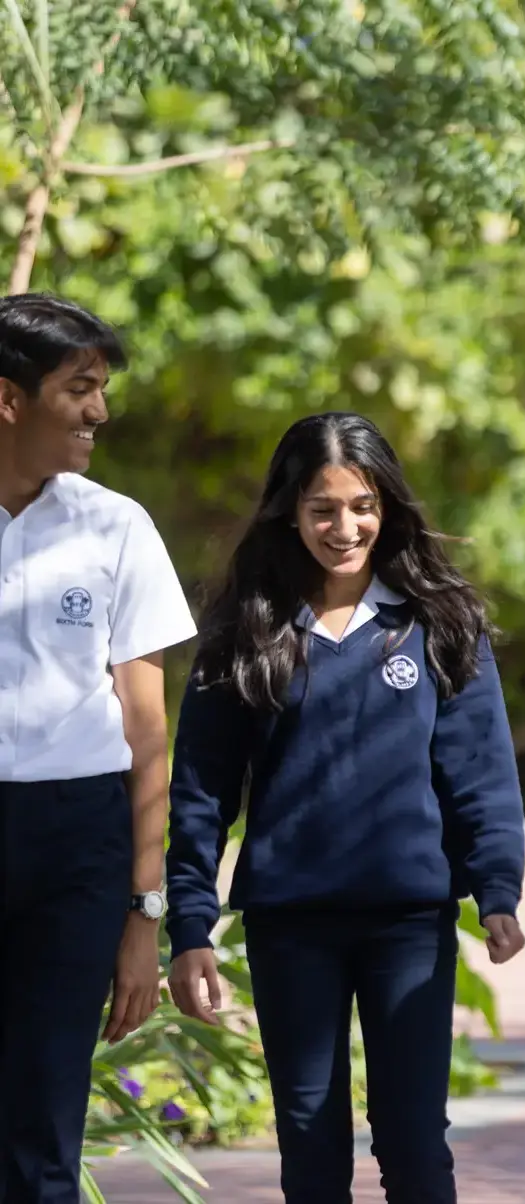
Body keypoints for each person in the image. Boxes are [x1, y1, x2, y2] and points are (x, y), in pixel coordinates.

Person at [165, 411, 525, 1204]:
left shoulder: (440, 621)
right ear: (290, 512)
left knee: (413, 1138)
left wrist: (497, 888)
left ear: (388, 506)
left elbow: (479, 770)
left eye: (362, 505)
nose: (344, 526)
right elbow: (201, 788)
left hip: (408, 922)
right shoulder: (244, 632)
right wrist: (188, 922)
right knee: (309, 1136)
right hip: (290, 923)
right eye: (322, 509)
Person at [0, 294, 197, 1202]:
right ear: (10, 400)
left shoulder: (115, 527)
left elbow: (147, 727)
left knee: (45, 1117)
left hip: (78, 838)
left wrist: (143, 910)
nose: (99, 413)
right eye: (80, 389)